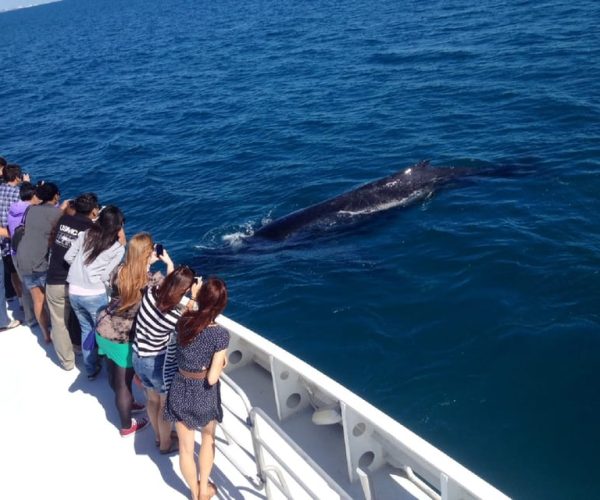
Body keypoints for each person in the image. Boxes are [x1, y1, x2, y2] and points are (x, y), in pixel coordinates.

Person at [96, 233, 174, 436]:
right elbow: (171, 292)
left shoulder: (118, 270)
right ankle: (125, 426)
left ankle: (128, 404)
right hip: (124, 339)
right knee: (124, 384)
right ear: (148, 254)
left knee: (114, 377)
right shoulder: (152, 281)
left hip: (103, 330)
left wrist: (145, 262)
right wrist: (167, 263)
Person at [164, 277, 229, 500]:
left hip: (181, 386)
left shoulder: (184, 322)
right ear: (221, 306)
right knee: (208, 439)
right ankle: (204, 492)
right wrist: (220, 362)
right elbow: (212, 379)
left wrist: (192, 298)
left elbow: (186, 314)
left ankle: (193, 493)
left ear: (201, 298)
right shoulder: (220, 334)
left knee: (185, 448)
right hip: (203, 393)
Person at [132, 265, 195, 454]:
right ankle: (166, 444)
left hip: (138, 356)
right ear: (184, 290)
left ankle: (159, 436)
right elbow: (188, 322)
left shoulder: (150, 294)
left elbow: (167, 293)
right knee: (164, 407)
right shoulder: (174, 317)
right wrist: (193, 297)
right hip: (157, 363)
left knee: (152, 401)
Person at [65, 205, 126, 379]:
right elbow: (107, 274)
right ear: (118, 226)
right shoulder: (117, 248)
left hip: (74, 290)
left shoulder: (84, 235)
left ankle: (90, 370)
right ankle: (110, 373)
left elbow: (68, 257)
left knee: (86, 329)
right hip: (94, 294)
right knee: (102, 333)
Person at [46, 193, 99, 370]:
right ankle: (83, 353)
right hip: (76, 283)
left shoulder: (63, 220)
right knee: (83, 321)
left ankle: (67, 362)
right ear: (94, 211)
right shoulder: (92, 230)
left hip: (54, 278)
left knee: (59, 322)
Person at [15, 182, 63, 342]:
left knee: (37, 299)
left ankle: (45, 334)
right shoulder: (56, 214)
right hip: (39, 261)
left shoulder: (31, 209)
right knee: (52, 300)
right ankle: (59, 334)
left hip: (23, 258)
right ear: (55, 195)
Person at [0, 164, 29, 331]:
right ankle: (27, 305)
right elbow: (28, 206)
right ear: (17, 178)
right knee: (23, 274)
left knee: (12, 273)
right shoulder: (18, 193)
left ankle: (20, 302)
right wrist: (26, 185)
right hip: (15, 240)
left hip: (2, 242)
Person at [6, 181, 38, 327]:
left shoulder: (13, 210)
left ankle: (30, 318)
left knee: (25, 287)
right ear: (33, 196)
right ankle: (44, 318)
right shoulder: (30, 211)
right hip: (28, 254)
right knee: (38, 287)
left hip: (15, 252)